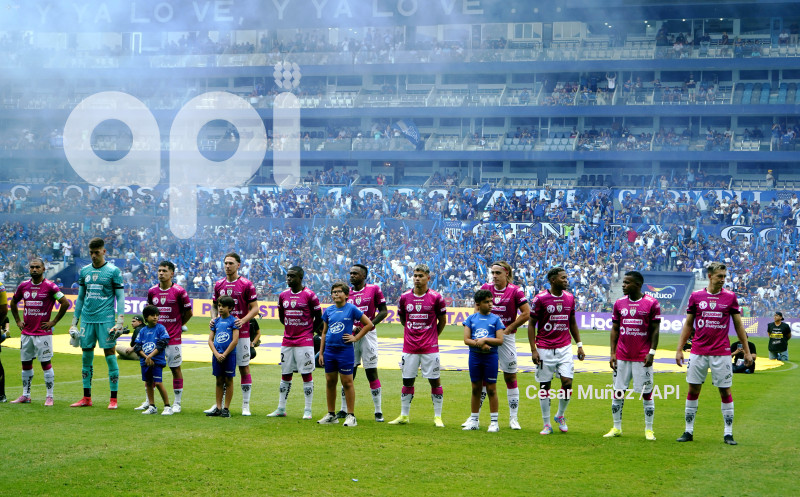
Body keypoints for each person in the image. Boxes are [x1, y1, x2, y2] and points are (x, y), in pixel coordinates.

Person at [676, 262, 753, 445]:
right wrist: (679, 349)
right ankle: (688, 431)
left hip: (721, 352)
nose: (723, 280)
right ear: (710, 276)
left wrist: (747, 351)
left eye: (725, 276)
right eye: (720, 276)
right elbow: (688, 324)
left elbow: (738, 325)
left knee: (725, 391)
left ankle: (728, 433)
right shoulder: (696, 297)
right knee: (693, 389)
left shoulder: (730, 297)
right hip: (698, 351)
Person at [465, 261, 530, 430]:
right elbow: (476, 310)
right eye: (492, 273)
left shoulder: (516, 291)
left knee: (510, 377)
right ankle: (474, 418)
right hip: (485, 336)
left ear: (506, 273)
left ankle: (513, 418)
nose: (494, 276)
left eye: (497, 273)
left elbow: (526, 313)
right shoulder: (486, 287)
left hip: (506, 339)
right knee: (483, 380)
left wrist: (508, 329)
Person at [603, 271, 661, 441]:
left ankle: (649, 430)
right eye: (623, 282)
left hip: (642, 356)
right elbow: (615, 329)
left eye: (627, 283)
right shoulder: (619, 303)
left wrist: (651, 352)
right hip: (622, 355)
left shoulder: (652, 303)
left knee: (646, 392)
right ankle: (616, 427)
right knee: (618, 392)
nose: (623, 285)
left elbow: (655, 330)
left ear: (637, 284)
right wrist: (612, 353)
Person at [528, 266, 586, 435]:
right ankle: (547, 424)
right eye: (563, 278)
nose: (566, 280)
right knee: (545, 385)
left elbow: (572, 322)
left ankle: (560, 415)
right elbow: (531, 324)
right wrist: (533, 349)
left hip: (565, 347)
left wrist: (579, 344)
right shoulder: (540, 299)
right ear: (553, 280)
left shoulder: (570, 298)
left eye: (566, 278)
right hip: (545, 348)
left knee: (567, 382)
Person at [69, 237, 125, 409]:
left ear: (104, 251)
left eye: (97, 252)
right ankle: (86, 398)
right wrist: (74, 322)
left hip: (106, 319)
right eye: (91, 253)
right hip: (87, 319)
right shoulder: (84, 271)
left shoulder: (113, 271)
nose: (93, 256)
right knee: (86, 357)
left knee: (110, 355)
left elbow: (120, 296)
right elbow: (80, 297)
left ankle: (113, 399)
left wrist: (120, 321)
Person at [388, 264, 447, 427]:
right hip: (410, 347)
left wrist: (433, 337)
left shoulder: (436, 297)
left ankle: (437, 417)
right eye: (415, 276)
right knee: (407, 381)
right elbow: (403, 320)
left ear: (428, 278)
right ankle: (404, 415)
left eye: (420, 276)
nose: (417, 279)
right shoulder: (404, 297)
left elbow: (442, 320)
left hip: (430, 347)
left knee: (435, 381)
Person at [9, 257, 69, 405]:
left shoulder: (50, 287)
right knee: (25, 364)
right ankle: (26, 395)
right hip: (26, 333)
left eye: (37, 267)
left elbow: (65, 303)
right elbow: (13, 302)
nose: (34, 269)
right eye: (32, 267)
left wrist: (53, 322)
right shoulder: (23, 286)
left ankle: (49, 396)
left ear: (43, 269)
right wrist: (17, 320)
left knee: (45, 363)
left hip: (43, 334)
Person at [205, 252, 259, 416]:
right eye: (225, 263)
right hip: (222, 335)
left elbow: (255, 308)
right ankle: (219, 406)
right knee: (221, 373)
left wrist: (243, 321)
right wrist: (214, 319)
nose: (227, 266)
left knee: (244, 368)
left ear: (238, 265)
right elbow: (214, 306)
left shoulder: (246, 284)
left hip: (241, 334)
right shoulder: (219, 284)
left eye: (231, 263)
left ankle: (245, 405)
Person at [334, 264, 388, 422]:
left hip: (368, 335)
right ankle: (344, 409)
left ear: (364, 275)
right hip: (348, 336)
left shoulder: (374, 289)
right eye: (350, 273)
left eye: (355, 274)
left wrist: (367, 325)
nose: (351, 276)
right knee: (348, 372)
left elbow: (383, 311)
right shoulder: (346, 293)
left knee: (371, 371)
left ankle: (378, 411)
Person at [268, 266, 322, 419]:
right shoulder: (283, 295)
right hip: (287, 340)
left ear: (300, 277)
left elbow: (319, 317)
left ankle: (308, 410)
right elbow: (281, 317)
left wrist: (309, 332)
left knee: (306, 374)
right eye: (288, 276)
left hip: (304, 340)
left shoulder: (310, 295)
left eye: (292, 276)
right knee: (285, 373)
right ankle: (281, 408)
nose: (289, 279)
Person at [317, 282, 374, 427]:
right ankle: (331, 414)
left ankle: (351, 415)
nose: (336, 294)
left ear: (346, 295)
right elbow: (324, 332)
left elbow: (368, 324)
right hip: (330, 351)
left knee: (347, 382)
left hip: (345, 351)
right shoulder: (328, 311)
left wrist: (356, 337)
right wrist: (321, 353)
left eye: (339, 291)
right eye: (333, 292)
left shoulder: (351, 309)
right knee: (330, 382)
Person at [146, 261, 192, 413]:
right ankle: (149, 401)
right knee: (150, 367)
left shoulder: (179, 291)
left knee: (175, 368)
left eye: (164, 271)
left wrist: (178, 325)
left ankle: (177, 402)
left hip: (173, 338)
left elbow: (188, 312)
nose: (161, 273)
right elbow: (148, 311)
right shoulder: (152, 291)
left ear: (172, 273)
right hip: (154, 338)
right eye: (159, 270)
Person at [462, 289, 505, 433]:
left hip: (491, 357)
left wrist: (485, 340)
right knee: (475, 389)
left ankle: (494, 422)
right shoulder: (471, 319)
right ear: (478, 304)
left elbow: (500, 340)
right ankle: (474, 420)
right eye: (487, 302)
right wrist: (479, 344)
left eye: (491, 301)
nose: (490, 304)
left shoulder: (496, 320)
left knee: (491, 389)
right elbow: (466, 339)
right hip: (475, 357)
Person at [133, 305, 172, 415]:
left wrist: (150, 356)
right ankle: (152, 406)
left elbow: (162, 344)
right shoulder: (142, 331)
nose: (155, 317)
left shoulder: (160, 328)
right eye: (152, 315)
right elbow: (137, 347)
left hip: (157, 361)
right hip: (145, 362)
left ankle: (167, 406)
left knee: (158, 383)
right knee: (149, 383)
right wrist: (146, 357)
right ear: (146, 317)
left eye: (157, 315)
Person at [207, 295, 239, 418]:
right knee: (219, 380)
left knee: (228, 380)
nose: (220, 308)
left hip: (229, 356)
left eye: (223, 306)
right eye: (219, 306)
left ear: (230, 308)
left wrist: (224, 354)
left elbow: (235, 340)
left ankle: (226, 408)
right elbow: (210, 340)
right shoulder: (215, 321)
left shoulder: (234, 321)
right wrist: (216, 353)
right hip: (217, 355)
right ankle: (218, 408)